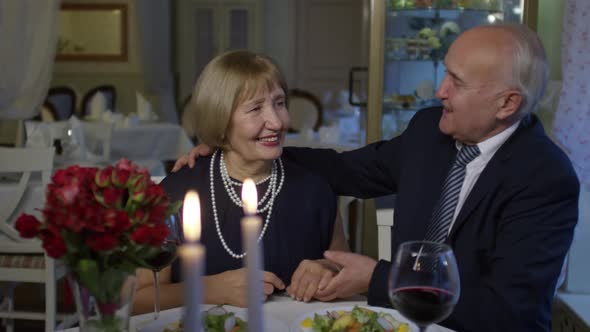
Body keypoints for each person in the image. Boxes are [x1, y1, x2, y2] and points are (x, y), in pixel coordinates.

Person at [172, 24, 580, 331]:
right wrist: (233, 147)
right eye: (445, 74)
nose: (440, 91)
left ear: (507, 103)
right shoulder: (429, 131)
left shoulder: (545, 179)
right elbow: (346, 169)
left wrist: (378, 278)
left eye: (456, 82)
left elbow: (510, 314)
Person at [134, 50, 349, 313]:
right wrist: (208, 290)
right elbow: (137, 299)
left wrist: (328, 269)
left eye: (279, 103)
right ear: (221, 120)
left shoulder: (315, 188)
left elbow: (345, 270)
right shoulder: (176, 192)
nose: (276, 122)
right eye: (256, 108)